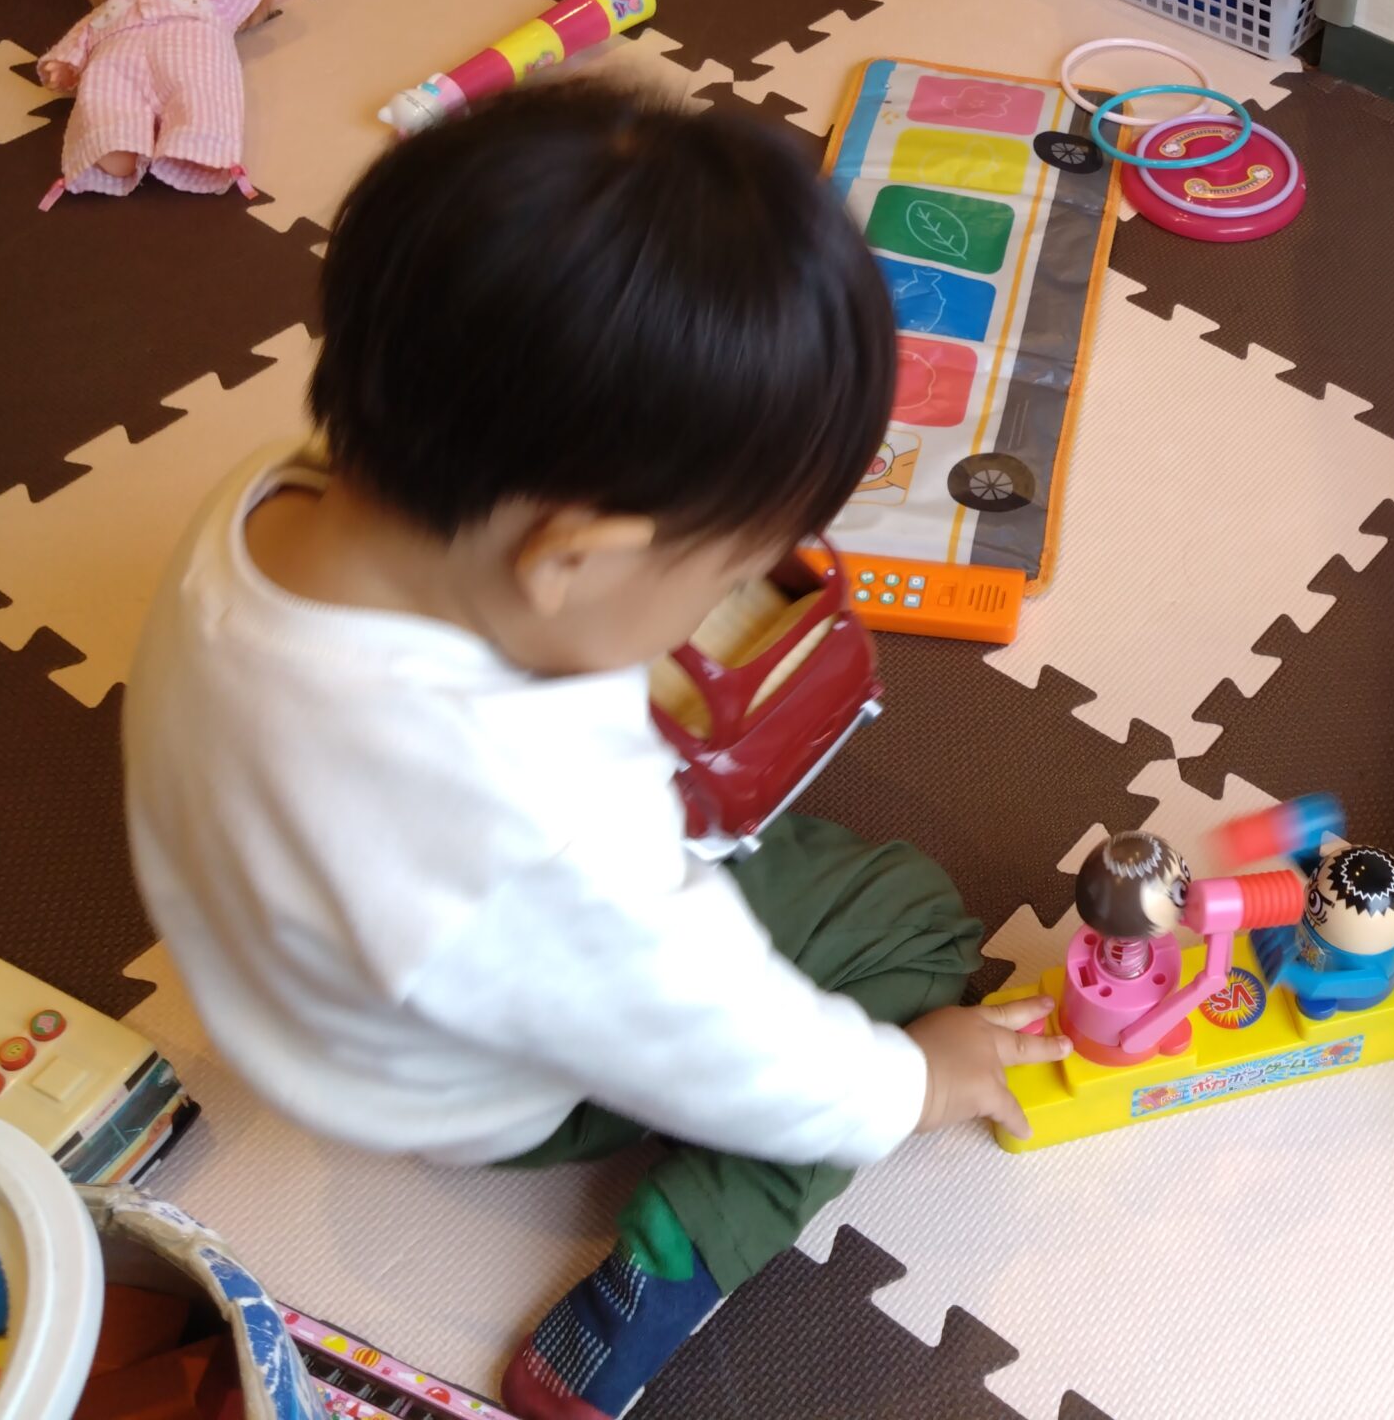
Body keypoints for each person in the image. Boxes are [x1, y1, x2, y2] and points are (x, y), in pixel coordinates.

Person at [125, 85, 1064, 1420]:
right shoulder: (546, 819)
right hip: (466, 1088)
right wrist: (916, 1083)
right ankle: (669, 1268)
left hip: (291, 988)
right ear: (570, 560)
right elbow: (731, 1042)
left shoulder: (274, 502)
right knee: (903, 917)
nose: (715, 608)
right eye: (721, 576)